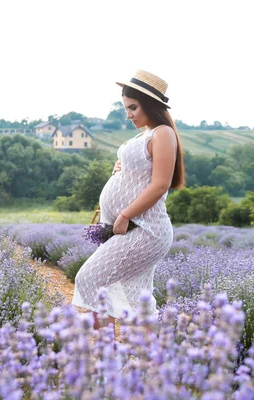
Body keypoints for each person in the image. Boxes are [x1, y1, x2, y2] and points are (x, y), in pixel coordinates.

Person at [72, 69, 185, 337]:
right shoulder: (145, 136)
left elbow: (160, 184)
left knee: (90, 279)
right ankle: (155, 362)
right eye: (126, 108)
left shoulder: (163, 133)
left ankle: (108, 358)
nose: (129, 114)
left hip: (144, 228)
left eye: (133, 107)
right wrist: (122, 169)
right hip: (134, 227)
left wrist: (124, 215)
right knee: (137, 300)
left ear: (150, 104)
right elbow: (142, 170)